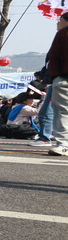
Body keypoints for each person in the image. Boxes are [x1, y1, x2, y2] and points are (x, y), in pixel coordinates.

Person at [43, 12, 68, 156]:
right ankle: (63, 144)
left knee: (63, 112)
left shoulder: (63, 34)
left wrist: (55, 78)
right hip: (62, 78)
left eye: (60, 20)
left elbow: (54, 56)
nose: (58, 23)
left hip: (62, 78)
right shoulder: (62, 34)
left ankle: (64, 144)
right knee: (63, 111)